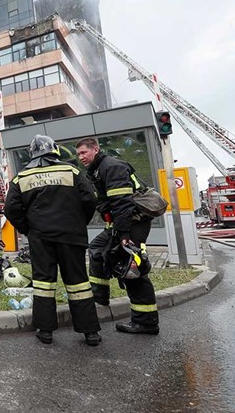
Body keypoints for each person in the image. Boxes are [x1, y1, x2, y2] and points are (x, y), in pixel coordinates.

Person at [5, 134, 101, 346]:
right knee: (79, 283)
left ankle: (45, 330)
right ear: (54, 150)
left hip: (41, 238)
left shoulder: (21, 177)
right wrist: (78, 223)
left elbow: (11, 209)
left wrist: (28, 229)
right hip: (71, 236)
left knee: (43, 283)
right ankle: (90, 332)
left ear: (32, 154)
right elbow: (90, 200)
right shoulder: (71, 171)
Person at [76, 137, 160, 335]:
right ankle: (100, 297)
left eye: (84, 152)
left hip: (132, 224)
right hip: (120, 224)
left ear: (95, 149)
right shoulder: (96, 170)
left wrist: (123, 235)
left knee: (132, 268)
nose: (81, 157)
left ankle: (146, 322)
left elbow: (122, 203)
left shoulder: (111, 167)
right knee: (97, 249)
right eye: (78, 154)